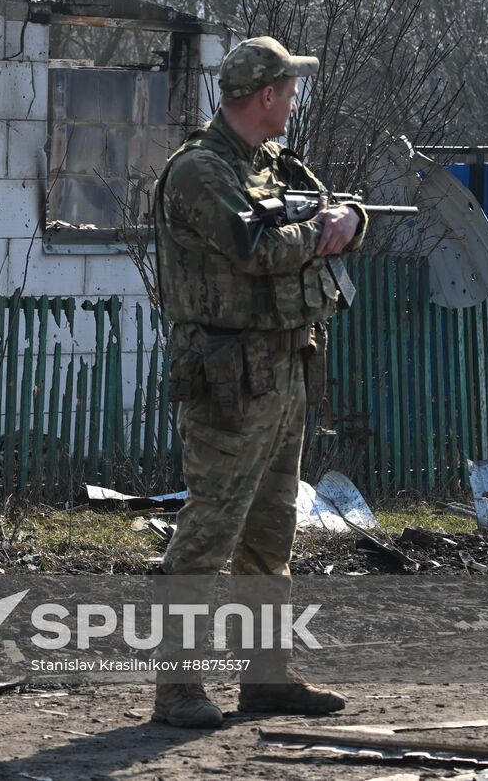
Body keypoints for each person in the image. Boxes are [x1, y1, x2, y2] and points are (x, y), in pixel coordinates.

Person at [148, 36, 367, 729]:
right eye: (290, 89)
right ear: (265, 96)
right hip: (226, 376)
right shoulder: (200, 171)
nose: (296, 100)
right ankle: (178, 689)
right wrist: (321, 233)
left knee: (271, 535)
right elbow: (257, 250)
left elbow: (329, 208)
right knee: (208, 533)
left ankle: (265, 676)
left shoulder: (268, 164)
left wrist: (348, 221)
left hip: (283, 365)